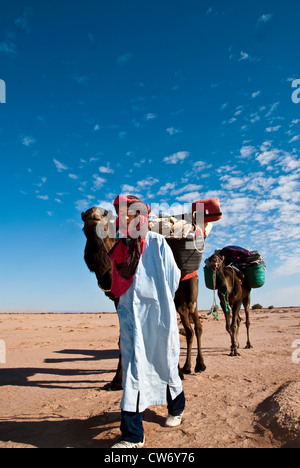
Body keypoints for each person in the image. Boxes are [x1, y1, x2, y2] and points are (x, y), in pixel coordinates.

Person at [109, 195, 185, 449]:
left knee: (166, 361)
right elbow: (116, 284)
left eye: (129, 213)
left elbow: (173, 278)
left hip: (158, 316)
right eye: (121, 214)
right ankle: (133, 435)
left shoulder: (157, 243)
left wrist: (158, 302)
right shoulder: (119, 247)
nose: (125, 217)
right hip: (130, 319)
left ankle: (176, 410)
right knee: (133, 369)